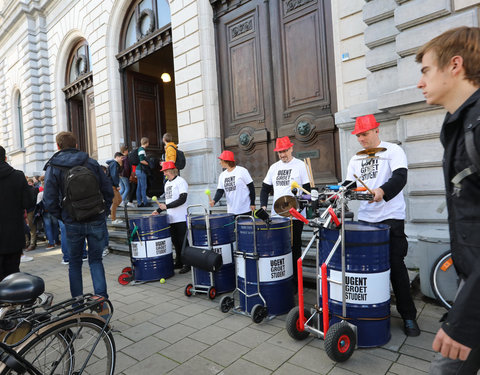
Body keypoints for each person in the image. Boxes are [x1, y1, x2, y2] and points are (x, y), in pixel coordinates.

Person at [416, 26, 480, 374]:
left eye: (426, 70)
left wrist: (465, 320)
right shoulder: (459, 125)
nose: (420, 82)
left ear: (455, 65)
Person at [343, 114, 419, 337]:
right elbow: (349, 185)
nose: (361, 139)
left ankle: (408, 316)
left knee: (396, 266)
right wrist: (340, 192)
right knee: (369, 270)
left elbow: (401, 177)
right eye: (358, 135)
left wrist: (382, 191)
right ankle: (375, 310)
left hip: (391, 217)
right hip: (366, 219)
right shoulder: (356, 158)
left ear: (377, 130)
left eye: (364, 134)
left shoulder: (393, 151)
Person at [43, 131, 113, 299]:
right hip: (96, 218)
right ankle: (101, 303)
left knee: (74, 263)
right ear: (76, 145)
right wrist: (104, 212)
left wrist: (64, 216)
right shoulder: (91, 162)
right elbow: (108, 191)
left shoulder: (53, 167)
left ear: (58, 146)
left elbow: (49, 200)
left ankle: (77, 305)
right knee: (96, 261)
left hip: (72, 221)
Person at [260, 136, 310, 286]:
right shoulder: (274, 167)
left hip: (295, 216)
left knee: (294, 248)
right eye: (280, 152)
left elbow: (307, 191)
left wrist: (301, 205)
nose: (282, 155)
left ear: (291, 148)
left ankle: (295, 281)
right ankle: (282, 278)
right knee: (279, 247)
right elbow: (264, 189)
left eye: (285, 151)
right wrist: (263, 206)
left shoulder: (300, 165)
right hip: (277, 216)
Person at [0, 146, 36, 278]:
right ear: (5, 158)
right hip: (13, 235)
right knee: (13, 275)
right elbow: (28, 203)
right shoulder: (18, 176)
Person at [152, 161, 189, 274]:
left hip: (181, 217)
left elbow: (182, 199)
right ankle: (179, 261)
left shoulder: (181, 181)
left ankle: (187, 264)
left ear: (170, 171)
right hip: (171, 218)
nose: (164, 173)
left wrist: (166, 206)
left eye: (164, 171)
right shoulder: (167, 183)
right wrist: (158, 210)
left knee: (183, 241)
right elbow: (168, 201)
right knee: (175, 241)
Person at [209, 150, 255, 216]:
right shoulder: (222, 175)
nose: (220, 163)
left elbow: (251, 187)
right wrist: (214, 201)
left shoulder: (242, 171)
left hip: (245, 209)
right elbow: (220, 191)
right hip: (231, 210)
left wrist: (252, 203)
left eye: (221, 160)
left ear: (226, 161)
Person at [107, 152, 124, 224]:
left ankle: (110, 213)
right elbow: (114, 175)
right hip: (112, 185)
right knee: (115, 202)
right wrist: (117, 185)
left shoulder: (113, 164)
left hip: (111, 185)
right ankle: (113, 219)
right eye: (121, 158)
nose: (122, 159)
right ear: (117, 157)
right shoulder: (114, 164)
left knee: (119, 200)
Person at [136, 137, 151, 207]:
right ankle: (145, 202)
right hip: (141, 170)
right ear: (147, 143)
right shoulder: (142, 150)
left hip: (138, 170)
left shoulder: (139, 149)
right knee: (143, 187)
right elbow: (141, 160)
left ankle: (139, 202)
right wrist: (148, 164)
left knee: (139, 187)